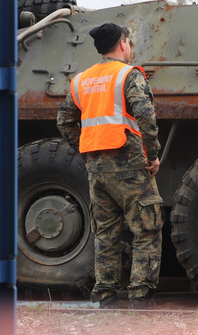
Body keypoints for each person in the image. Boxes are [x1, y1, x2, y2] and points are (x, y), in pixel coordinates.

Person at [56, 22, 164, 310]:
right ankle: (139, 295)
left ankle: (105, 295)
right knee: (147, 228)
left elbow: (64, 120)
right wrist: (152, 155)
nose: (130, 48)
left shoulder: (81, 80)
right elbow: (146, 116)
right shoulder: (128, 75)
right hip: (129, 162)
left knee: (106, 232)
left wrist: (86, 149)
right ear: (122, 45)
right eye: (128, 43)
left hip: (96, 168)